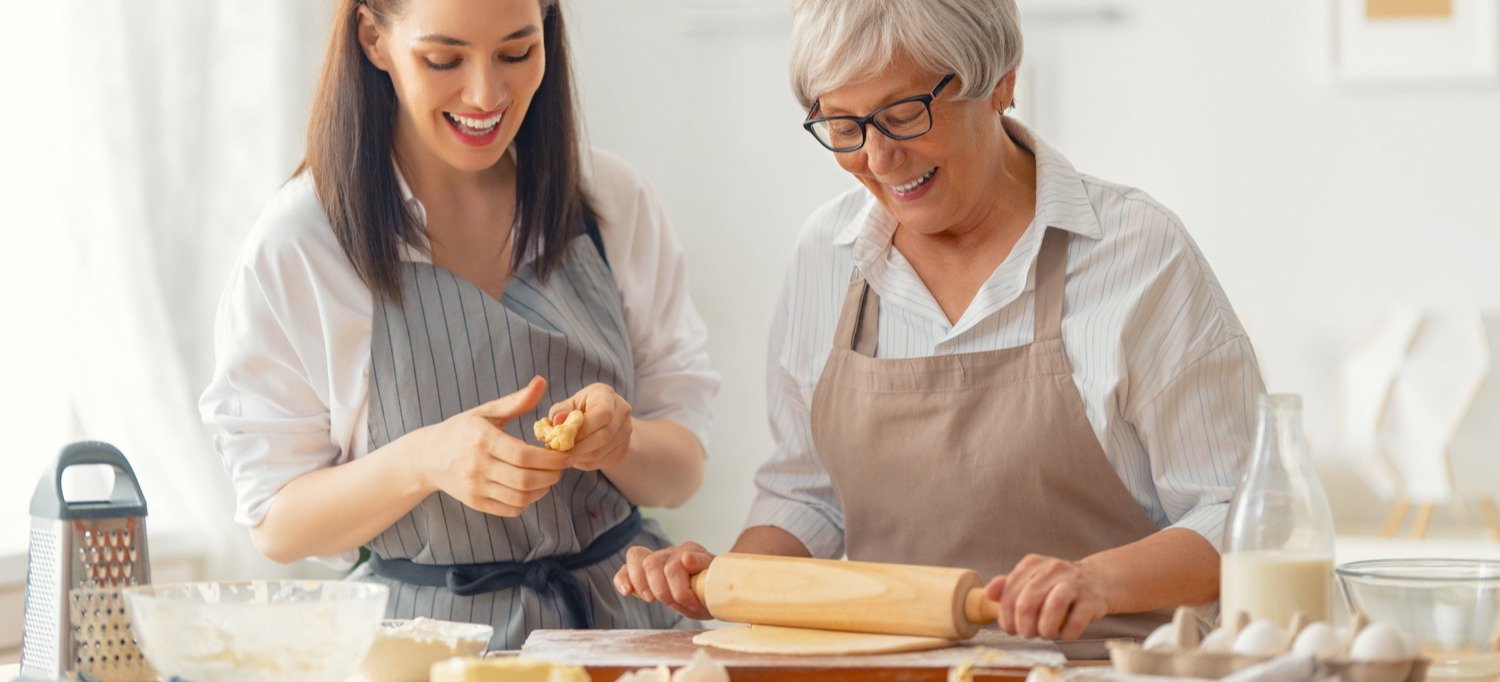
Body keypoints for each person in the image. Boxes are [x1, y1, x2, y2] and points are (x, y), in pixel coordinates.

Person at [615, 0, 1263, 642]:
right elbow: (809, 496)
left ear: (1001, 81)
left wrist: (1095, 582)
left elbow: (1243, 514)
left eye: (903, 115)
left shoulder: (1135, 253)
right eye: (844, 126)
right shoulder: (827, 255)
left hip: (1098, 666)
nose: (878, 156)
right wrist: (722, 578)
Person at [200, 0, 718, 648]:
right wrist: (421, 462)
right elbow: (277, 523)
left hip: (627, 635)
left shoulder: (611, 202)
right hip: (430, 651)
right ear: (373, 38)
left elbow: (685, 469)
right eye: (443, 58)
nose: (485, 93)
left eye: (517, 52)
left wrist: (621, 443)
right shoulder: (303, 245)